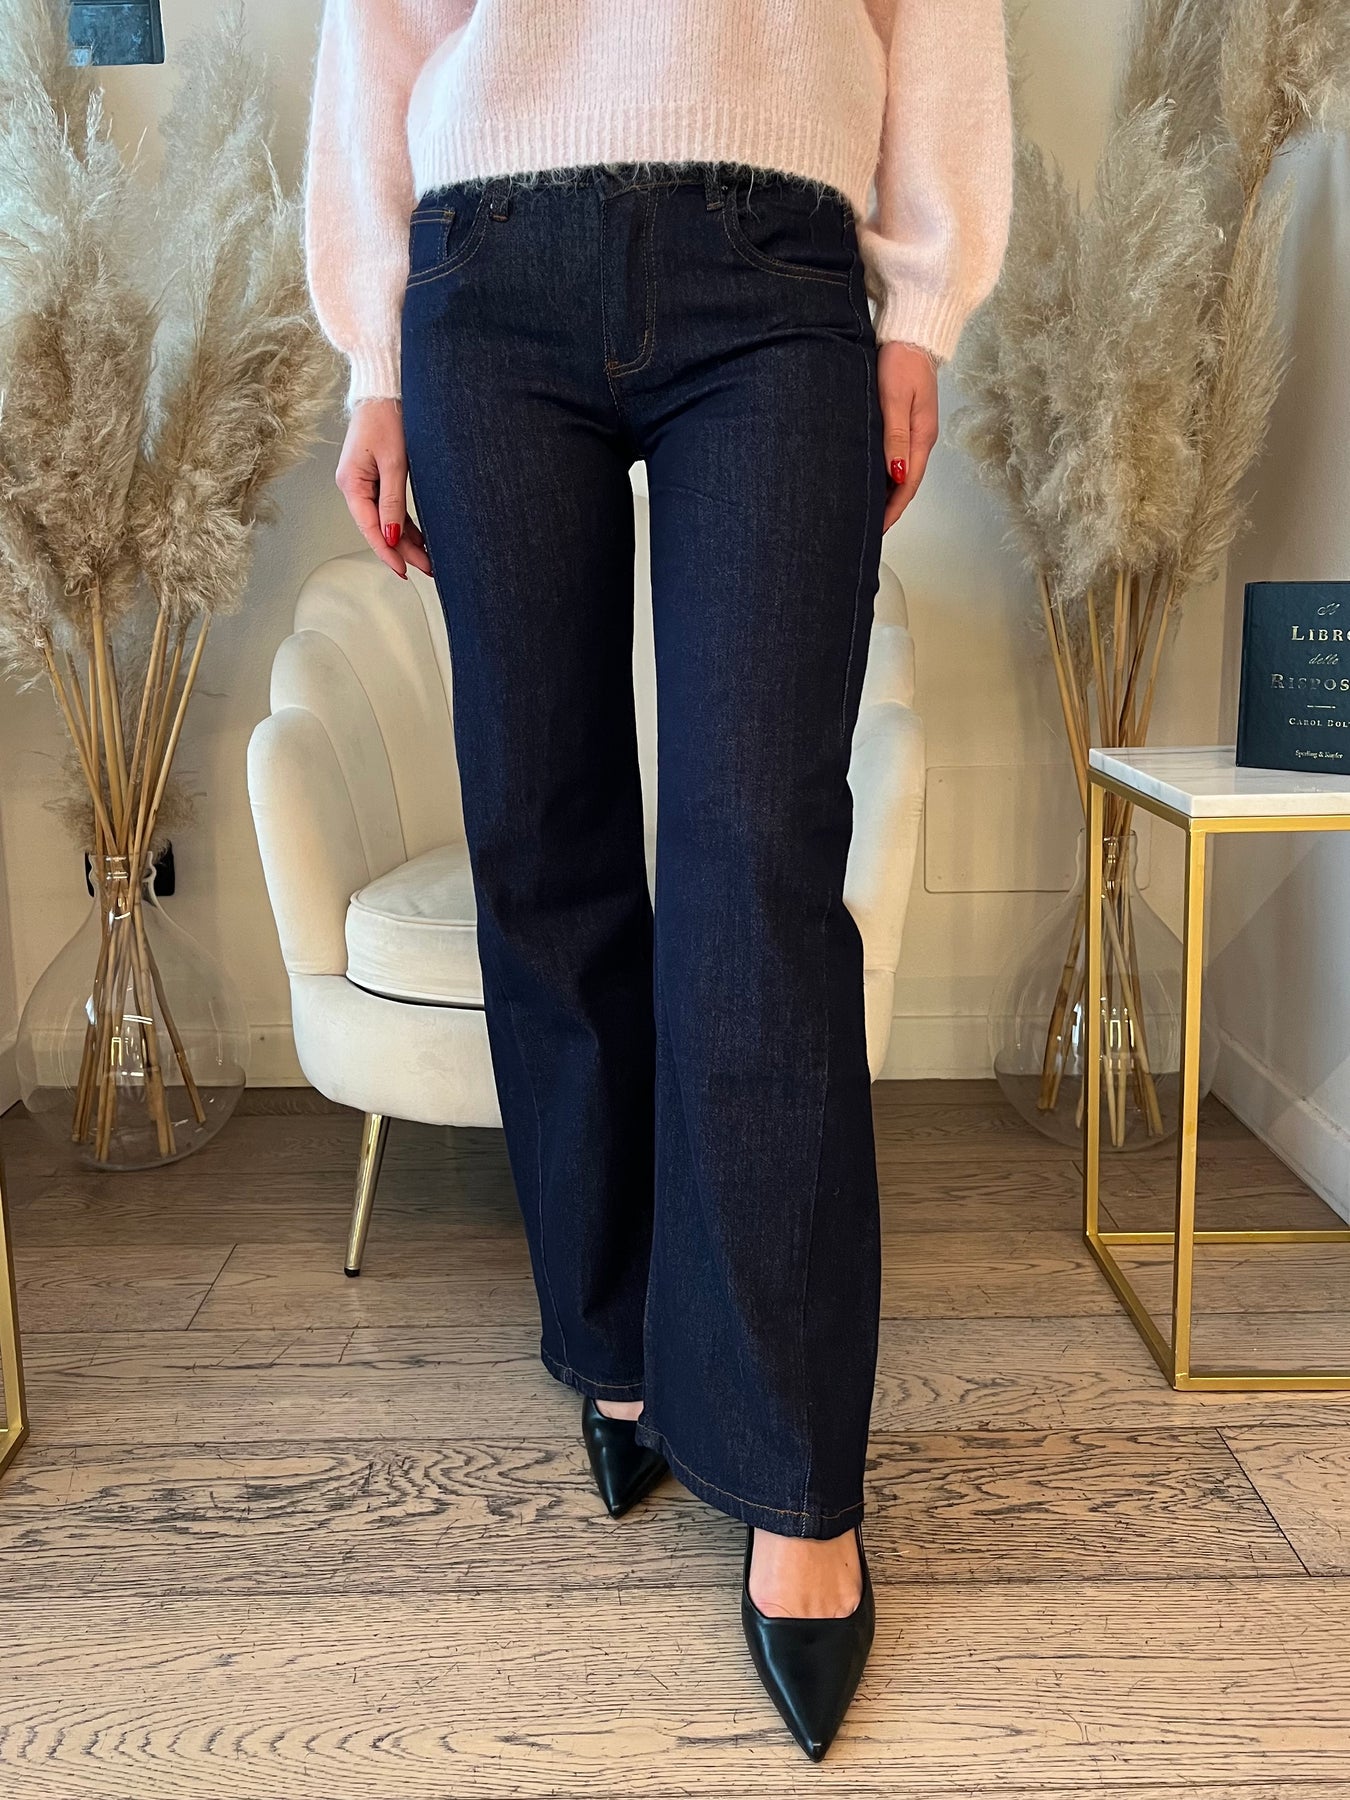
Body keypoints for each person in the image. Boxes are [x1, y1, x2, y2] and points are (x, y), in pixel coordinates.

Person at [304, 0, 1012, 1761]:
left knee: (755, 863)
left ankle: (793, 1472)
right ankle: (615, 1341)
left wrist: (917, 309)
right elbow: (376, 25)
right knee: (539, 833)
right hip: (482, 270)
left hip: (772, 265)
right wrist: (374, 355)